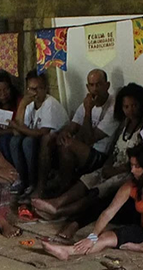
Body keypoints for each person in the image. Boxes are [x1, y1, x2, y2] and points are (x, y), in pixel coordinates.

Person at [32, 83, 143, 238]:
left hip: (128, 172)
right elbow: (115, 150)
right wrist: (107, 166)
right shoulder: (125, 124)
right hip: (112, 165)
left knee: (98, 190)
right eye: (126, 106)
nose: (130, 110)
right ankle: (56, 202)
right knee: (87, 179)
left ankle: (60, 212)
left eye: (134, 105)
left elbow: (142, 159)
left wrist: (115, 170)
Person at [43, 142, 143, 261]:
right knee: (105, 238)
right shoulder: (131, 185)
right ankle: (67, 251)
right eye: (131, 165)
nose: (132, 170)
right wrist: (92, 236)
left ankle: (142, 248)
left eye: (137, 167)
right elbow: (108, 213)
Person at [33, 69, 118, 198]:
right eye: (91, 85)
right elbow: (72, 126)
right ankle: (41, 188)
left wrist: (88, 111)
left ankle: (63, 190)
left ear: (107, 85)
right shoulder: (87, 101)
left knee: (67, 146)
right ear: (87, 87)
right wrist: (63, 133)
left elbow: (90, 139)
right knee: (48, 139)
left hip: (99, 155)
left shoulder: (113, 106)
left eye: (99, 84)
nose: (95, 89)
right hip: (81, 147)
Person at [6, 70, 67, 195]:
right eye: (30, 89)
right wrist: (22, 105)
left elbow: (42, 133)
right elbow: (17, 132)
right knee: (14, 141)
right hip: (37, 141)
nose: (34, 93)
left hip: (52, 145)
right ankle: (23, 180)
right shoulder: (30, 104)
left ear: (45, 89)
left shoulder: (49, 103)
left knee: (28, 142)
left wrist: (16, 126)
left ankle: (34, 182)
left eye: (37, 89)